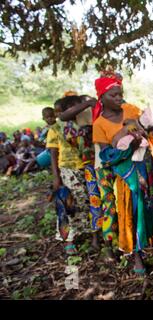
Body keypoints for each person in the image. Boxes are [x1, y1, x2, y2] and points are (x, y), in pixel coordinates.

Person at [92, 72, 153, 274]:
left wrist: (146, 126)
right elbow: (106, 156)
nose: (119, 98)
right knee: (129, 211)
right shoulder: (99, 125)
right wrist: (129, 147)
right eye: (113, 95)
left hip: (145, 167)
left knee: (152, 205)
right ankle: (136, 255)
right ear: (101, 98)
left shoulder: (130, 109)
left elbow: (148, 125)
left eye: (120, 94)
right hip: (125, 175)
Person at [46, 96, 91, 255]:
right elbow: (53, 153)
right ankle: (69, 239)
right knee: (68, 204)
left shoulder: (84, 124)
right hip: (67, 169)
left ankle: (88, 232)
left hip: (86, 168)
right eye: (75, 107)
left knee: (85, 201)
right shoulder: (56, 128)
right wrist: (56, 178)